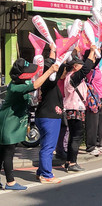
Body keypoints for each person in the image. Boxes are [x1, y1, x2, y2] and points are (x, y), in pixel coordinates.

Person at [0, 58, 59, 190]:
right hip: (7, 123)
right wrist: (50, 71)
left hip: (14, 122)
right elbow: (35, 85)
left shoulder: (20, 83)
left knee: (3, 152)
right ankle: (10, 182)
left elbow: (30, 92)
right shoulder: (16, 86)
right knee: (8, 153)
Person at [35, 43, 67, 184]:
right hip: (50, 117)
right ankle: (47, 175)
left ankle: (41, 171)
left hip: (43, 115)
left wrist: (54, 49)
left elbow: (54, 66)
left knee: (45, 145)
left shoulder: (43, 78)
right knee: (48, 147)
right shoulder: (50, 81)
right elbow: (57, 69)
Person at [63, 45, 96, 172]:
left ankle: (68, 161)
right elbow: (86, 68)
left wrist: (94, 53)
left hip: (73, 108)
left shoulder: (71, 76)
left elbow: (89, 66)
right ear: (75, 67)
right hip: (75, 108)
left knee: (73, 135)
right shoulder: (73, 76)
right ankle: (72, 162)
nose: (83, 66)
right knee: (76, 136)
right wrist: (92, 51)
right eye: (80, 65)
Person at [83, 48, 102, 156]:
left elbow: (98, 60)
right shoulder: (88, 68)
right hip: (92, 98)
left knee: (100, 122)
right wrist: (99, 49)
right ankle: (91, 146)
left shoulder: (96, 67)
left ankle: (99, 144)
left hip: (100, 97)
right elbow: (96, 60)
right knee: (92, 123)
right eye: (93, 56)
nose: (95, 58)